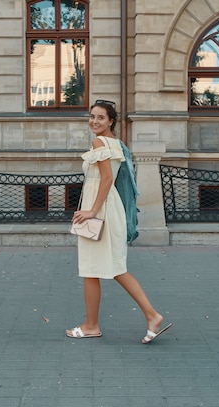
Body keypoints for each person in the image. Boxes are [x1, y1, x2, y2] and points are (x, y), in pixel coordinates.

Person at [66, 99, 172, 344]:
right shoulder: (116, 144)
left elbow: (105, 179)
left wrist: (92, 211)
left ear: (111, 121)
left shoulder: (99, 142)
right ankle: (149, 315)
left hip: (100, 209)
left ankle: (95, 325)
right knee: (110, 268)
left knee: (95, 268)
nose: (94, 121)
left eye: (101, 117)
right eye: (92, 116)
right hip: (109, 208)